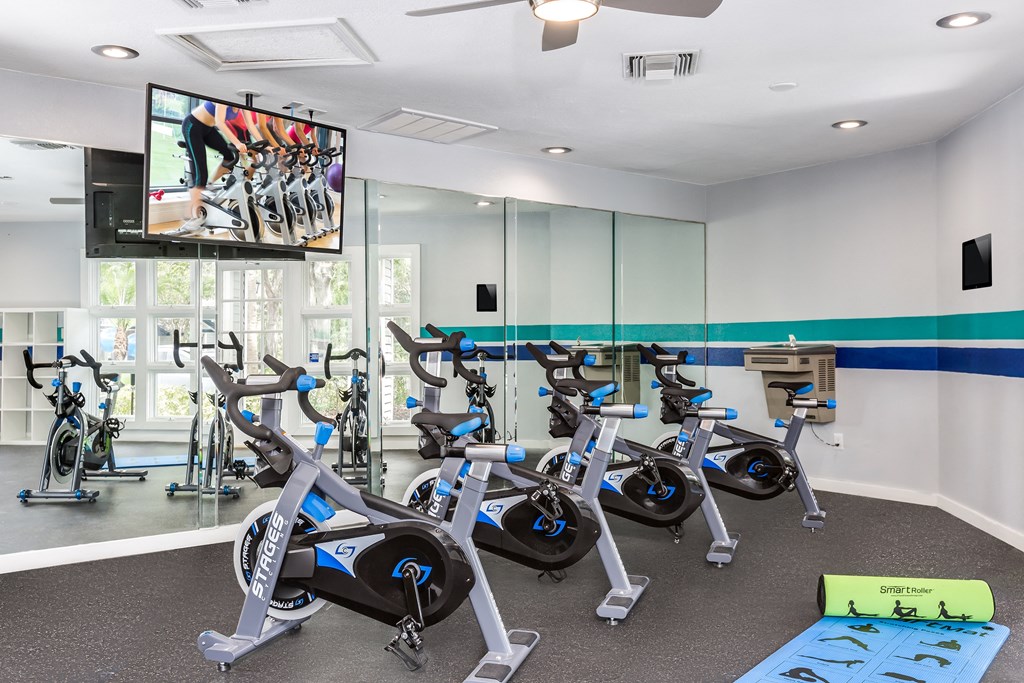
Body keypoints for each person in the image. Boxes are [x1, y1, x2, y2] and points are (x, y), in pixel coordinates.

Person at [179, 101, 253, 229]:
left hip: (208, 129)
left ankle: (210, 184)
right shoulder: (225, 97)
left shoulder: (243, 104)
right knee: (200, 173)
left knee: (230, 156)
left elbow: (250, 125)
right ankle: (193, 216)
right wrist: (237, 143)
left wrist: (267, 145)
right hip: (193, 126)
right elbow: (220, 122)